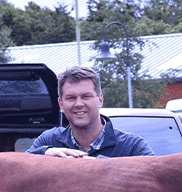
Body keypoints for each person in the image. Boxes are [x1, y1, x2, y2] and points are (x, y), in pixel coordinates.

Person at [25, 66, 153, 158]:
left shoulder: (132, 147)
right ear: (61, 104)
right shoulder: (49, 141)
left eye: (86, 96)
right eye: (71, 98)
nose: (79, 104)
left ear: (100, 100)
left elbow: (155, 178)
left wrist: (98, 167)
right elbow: (19, 169)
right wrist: (43, 153)